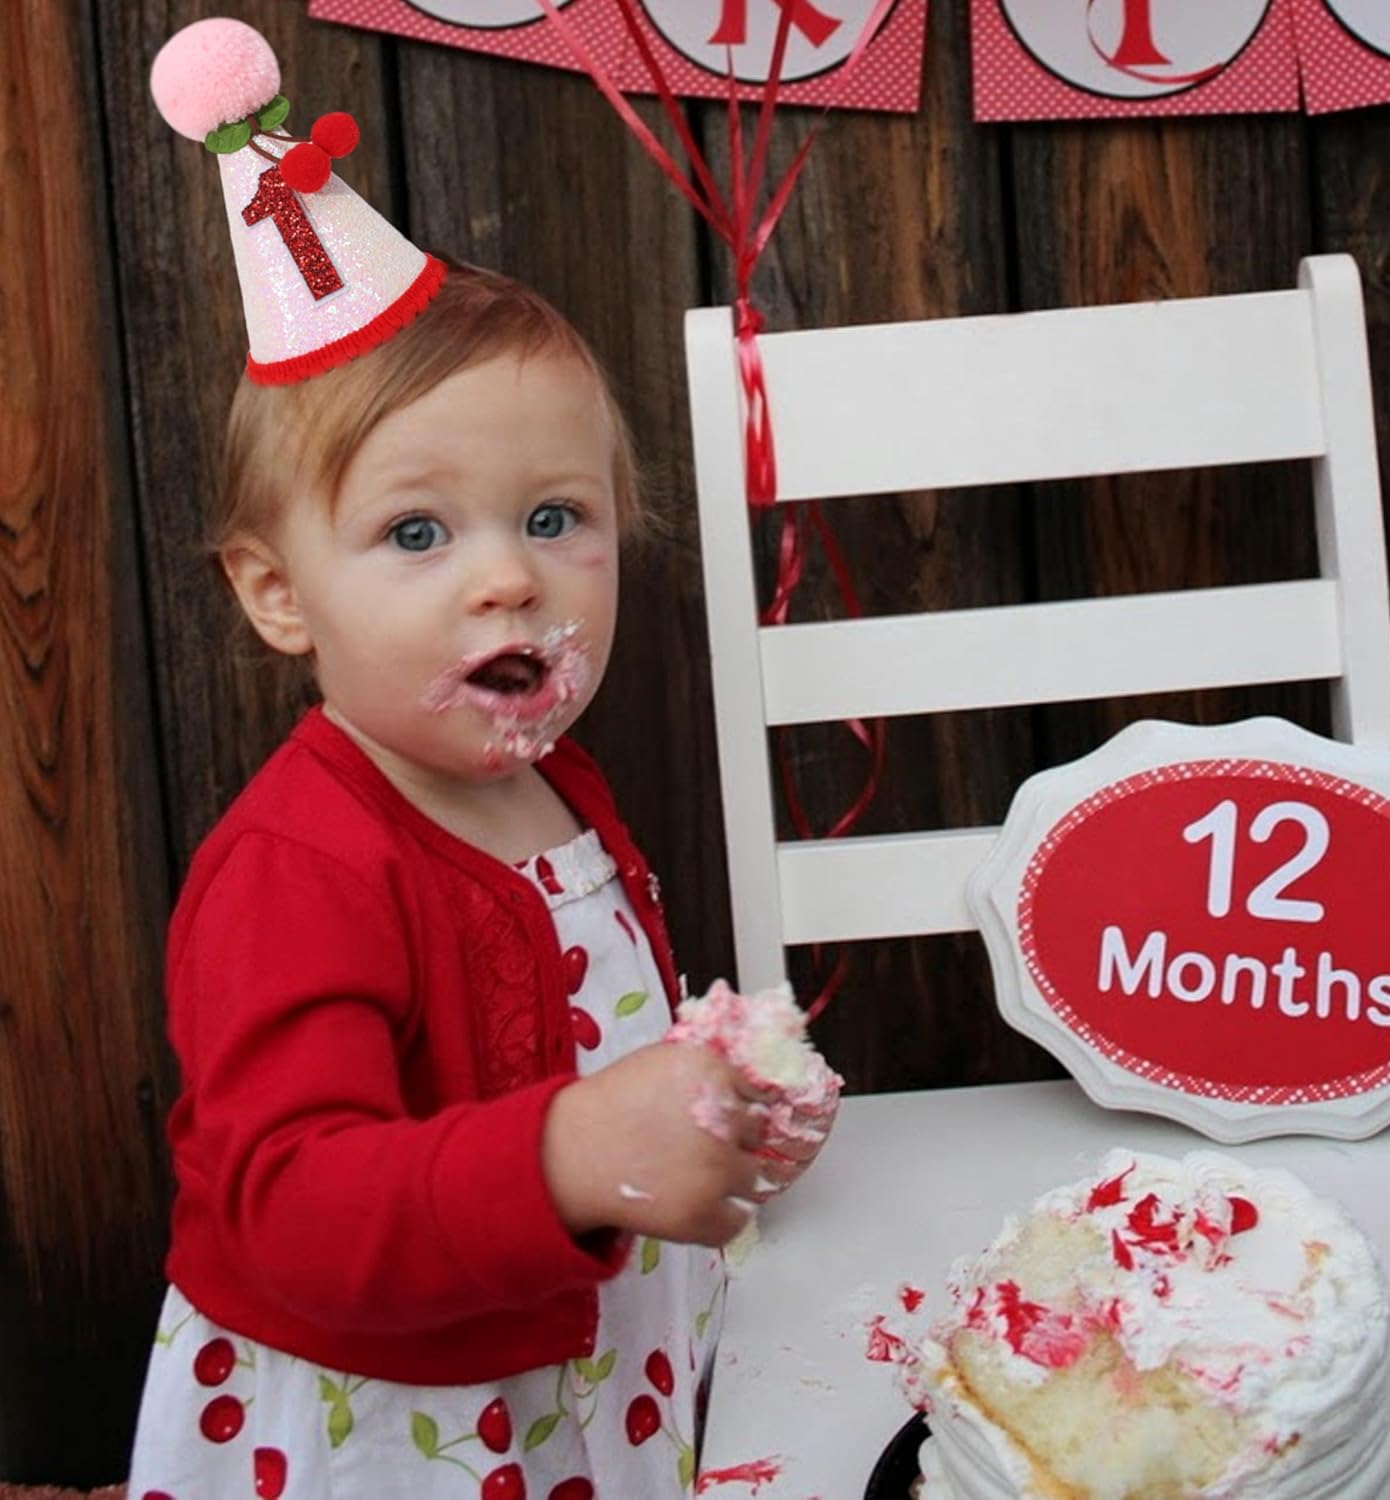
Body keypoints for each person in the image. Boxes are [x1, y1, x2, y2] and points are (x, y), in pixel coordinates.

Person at [134, 20, 833, 1500]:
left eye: (555, 517)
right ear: (278, 595)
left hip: (589, 1358)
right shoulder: (295, 873)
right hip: (410, 1422)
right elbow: (287, 1207)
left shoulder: (556, 781)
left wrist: (716, 1110)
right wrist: (569, 1155)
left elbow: (589, 1041)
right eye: (416, 532)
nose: (510, 578)